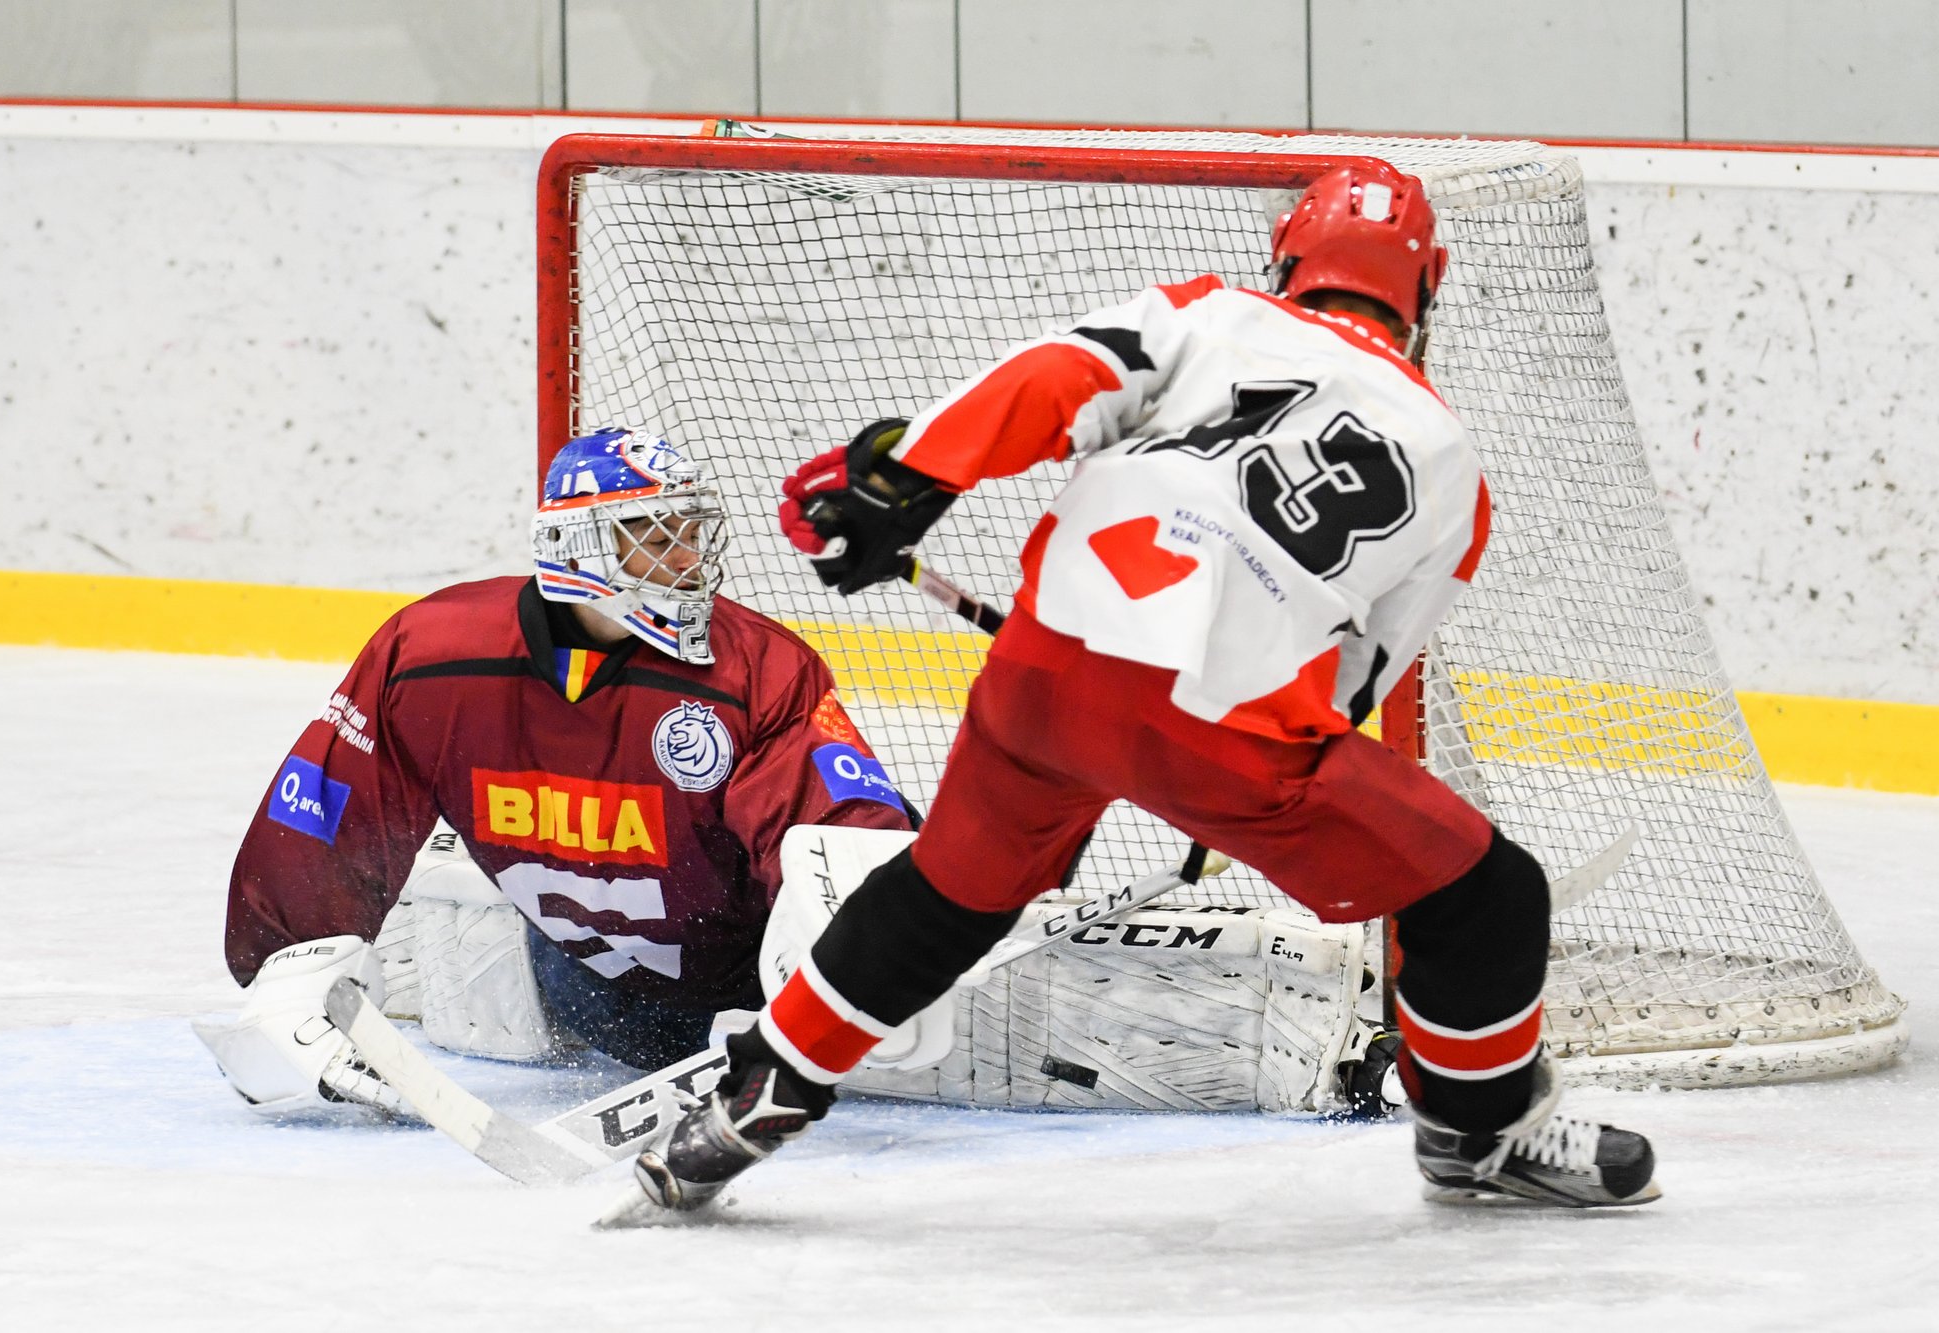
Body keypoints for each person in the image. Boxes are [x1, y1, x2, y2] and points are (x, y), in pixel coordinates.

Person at [630, 164, 1661, 1211]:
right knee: (1488, 896)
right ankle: (1476, 1133)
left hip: (1041, 675)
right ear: (1425, 287)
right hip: (1229, 733)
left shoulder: (1212, 315)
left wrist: (907, 476)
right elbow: (1359, 681)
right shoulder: (1450, 463)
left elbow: (1059, 377)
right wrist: (1227, 798)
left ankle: (764, 1083)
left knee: (950, 892)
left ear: (1288, 258)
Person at [193, 428, 911, 1116]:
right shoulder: (431, 655)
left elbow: (841, 827)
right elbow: (328, 805)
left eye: (690, 529)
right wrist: (292, 977)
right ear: (576, 546)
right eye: (656, 534)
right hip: (597, 1002)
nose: (688, 555)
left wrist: (838, 967)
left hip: (755, 995)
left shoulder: (759, 668)